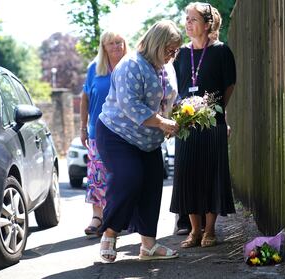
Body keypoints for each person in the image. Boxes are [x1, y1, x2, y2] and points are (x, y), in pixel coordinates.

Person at [95, 19, 182, 263]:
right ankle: (110, 233)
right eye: (169, 49)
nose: (172, 55)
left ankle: (149, 246)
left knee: (152, 186)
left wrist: (177, 118)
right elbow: (130, 105)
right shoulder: (131, 65)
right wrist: (163, 123)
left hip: (149, 139)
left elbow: (169, 99)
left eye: (175, 50)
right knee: (129, 178)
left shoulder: (167, 66)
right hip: (117, 133)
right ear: (157, 44)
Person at [170, 2, 236, 248]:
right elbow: (174, 88)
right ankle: (194, 231)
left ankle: (210, 230)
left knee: (212, 176)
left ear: (207, 25)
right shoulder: (181, 53)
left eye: (193, 19)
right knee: (188, 176)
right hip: (186, 126)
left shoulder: (221, 51)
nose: (188, 23)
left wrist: (214, 110)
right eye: (186, 18)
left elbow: (229, 85)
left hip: (213, 124)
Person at [81, 30, 127, 236]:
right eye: (111, 43)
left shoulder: (131, 66)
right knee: (97, 175)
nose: (116, 47)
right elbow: (85, 98)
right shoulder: (94, 69)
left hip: (125, 130)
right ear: (104, 47)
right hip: (97, 131)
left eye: (119, 42)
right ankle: (97, 216)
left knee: (122, 174)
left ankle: (119, 216)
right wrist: (83, 126)